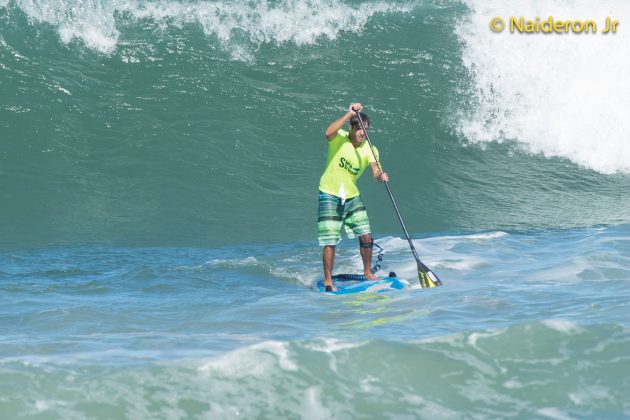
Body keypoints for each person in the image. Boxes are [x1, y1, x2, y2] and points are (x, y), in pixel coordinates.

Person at [318, 103, 389, 291]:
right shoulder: (339, 138)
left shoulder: (370, 149)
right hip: (329, 193)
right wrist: (349, 113)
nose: (362, 134)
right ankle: (327, 280)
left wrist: (380, 176)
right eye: (359, 129)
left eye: (365, 130)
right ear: (351, 128)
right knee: (330, 239)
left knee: (366, 236)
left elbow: (375, 169)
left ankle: (367, 272)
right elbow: (327, 133)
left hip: (352, 196)